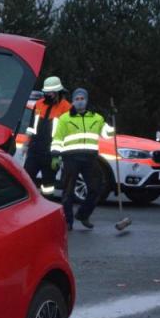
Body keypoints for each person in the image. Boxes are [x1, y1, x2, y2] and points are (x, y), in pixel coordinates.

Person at [52, 88, 105, 230]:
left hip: (90, 158)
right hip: (71, 158)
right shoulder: (65, 118)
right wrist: (55, 155)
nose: (80, 102)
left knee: (96, 187)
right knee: (68, 191)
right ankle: (68, 221)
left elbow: (108, 134)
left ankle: (83, 215)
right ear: (73, 101)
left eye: (82, 99)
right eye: (77, 99)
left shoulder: (97, 118)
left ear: (86, 100)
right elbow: (57, 138)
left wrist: (112, 119)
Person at [25, 76, 71, 195]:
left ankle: (47, 205)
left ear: (57, 92)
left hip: (52, 154)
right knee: (26, 181)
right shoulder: (39, 104)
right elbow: (31, 126)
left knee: (48, 186)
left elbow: (68, 134)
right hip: (34, 150)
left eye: (50, 93)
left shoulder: (67, 108)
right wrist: (26, 144)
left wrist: (60, 155)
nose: (47, 95)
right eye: (46, 92)